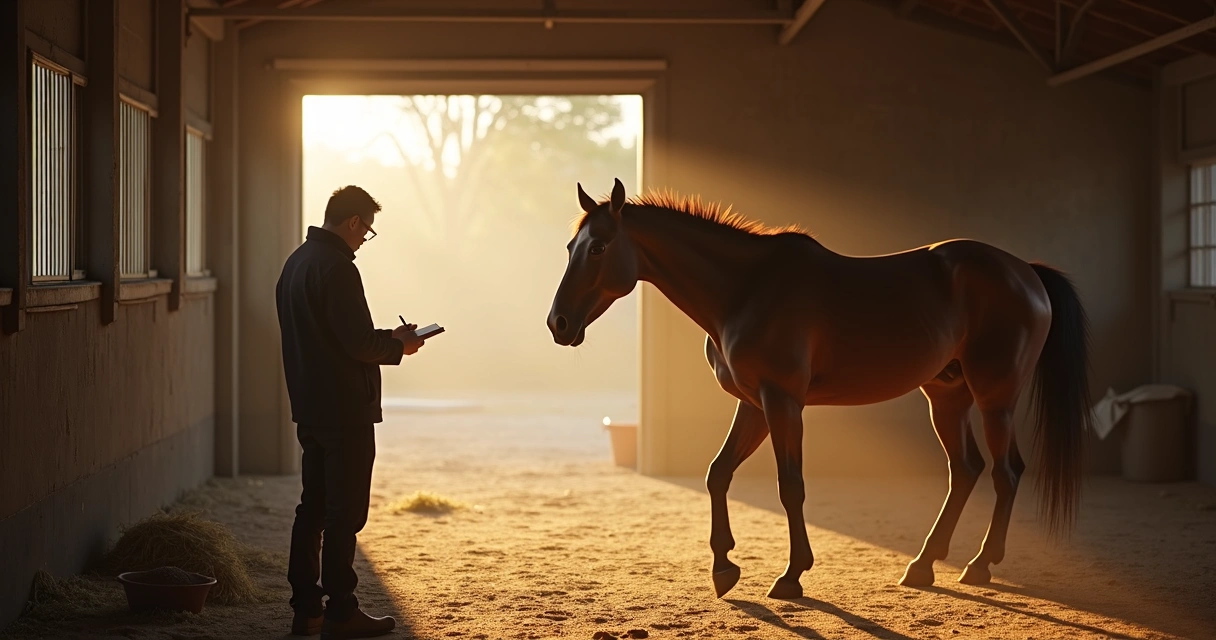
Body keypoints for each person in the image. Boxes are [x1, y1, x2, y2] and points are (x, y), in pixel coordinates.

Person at [276, 185, 425, 639]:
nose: (365, 240)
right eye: (367, 231)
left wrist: (388, 337)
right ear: (354, 222)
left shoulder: (296, 263)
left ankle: (307, 610)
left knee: (312, 509)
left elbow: (333, 334)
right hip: (346, 410)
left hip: (310, 406)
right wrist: (399, 346)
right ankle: (342, 611)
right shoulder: (338, 268)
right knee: (346, 515)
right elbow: (358, 344)